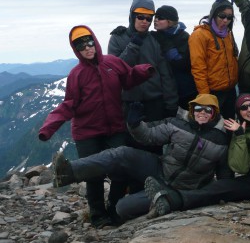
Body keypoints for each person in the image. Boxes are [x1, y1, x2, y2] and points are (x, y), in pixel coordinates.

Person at [50, 94, 233, 223]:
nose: (202, 113)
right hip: (160, 169)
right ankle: (68, 172)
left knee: (123, 207)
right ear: (192, 110)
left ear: (214, 113)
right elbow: (148, 136)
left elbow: (225, 179)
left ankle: (162, 203)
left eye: (207, 110)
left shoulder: (222, 143)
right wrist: (135, 124)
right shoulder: (177, 125)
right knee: (121, 153)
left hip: (183, 189)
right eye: (198, 108)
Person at [39, 25, 154, 228]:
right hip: (87, 133)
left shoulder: (112, 63)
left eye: (89, 42)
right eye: (81, 46)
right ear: (76, 50)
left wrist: (144, 71)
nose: (88, 48)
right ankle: (98, 216)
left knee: (120, 170)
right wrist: (48, 128)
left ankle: (115, 208)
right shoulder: (77, 74)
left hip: (114, 128)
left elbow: (128, 79)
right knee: (94, 175)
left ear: (95, 41)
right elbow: (69, 105)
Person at [108, 0, 179, 124]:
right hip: (128, 104)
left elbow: (165, 75)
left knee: (154, 143)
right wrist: (134, 45)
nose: (144, 21)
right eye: (140, 17)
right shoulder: (117, 38)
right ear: (132, 16)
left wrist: (171, 105)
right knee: (130, 143)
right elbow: (115, 71)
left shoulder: (155, 40)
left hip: (155, 104)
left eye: (149, 18)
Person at [189, 0, 239, 119]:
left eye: (229, 17)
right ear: (213, 14)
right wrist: (205, 97)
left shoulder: (228, 34)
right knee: (214, 129)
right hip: (213, 93)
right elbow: (198, 68)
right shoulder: (199, 35)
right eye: (222, 16)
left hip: (230, 91)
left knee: (229, 127)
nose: (225, 20)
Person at [151, 5, 197, 110]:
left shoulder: (184, 37)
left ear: (170, 21)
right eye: (155, 17)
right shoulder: (155, 36)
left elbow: (181, 63)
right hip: (166, 93)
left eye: (160, 18)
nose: (156, 20)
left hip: (186, 92)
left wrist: (165, 43)